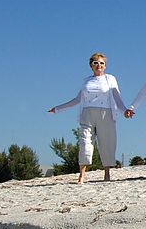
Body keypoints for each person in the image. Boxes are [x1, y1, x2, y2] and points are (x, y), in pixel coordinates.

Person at [48, 52, 126, 183]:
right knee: (85, 142)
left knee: (106, 143)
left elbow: (117, 97)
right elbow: (77, 99)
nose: (99, 66)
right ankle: (82, 174)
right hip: (87, 114)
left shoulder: (110, 79)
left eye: (102, 63)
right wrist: (57, 108)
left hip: (105, 114)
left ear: (105, 66)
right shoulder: (87, 81)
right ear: (91, 65)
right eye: (96, 63)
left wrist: (125, 111)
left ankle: (107, 173)